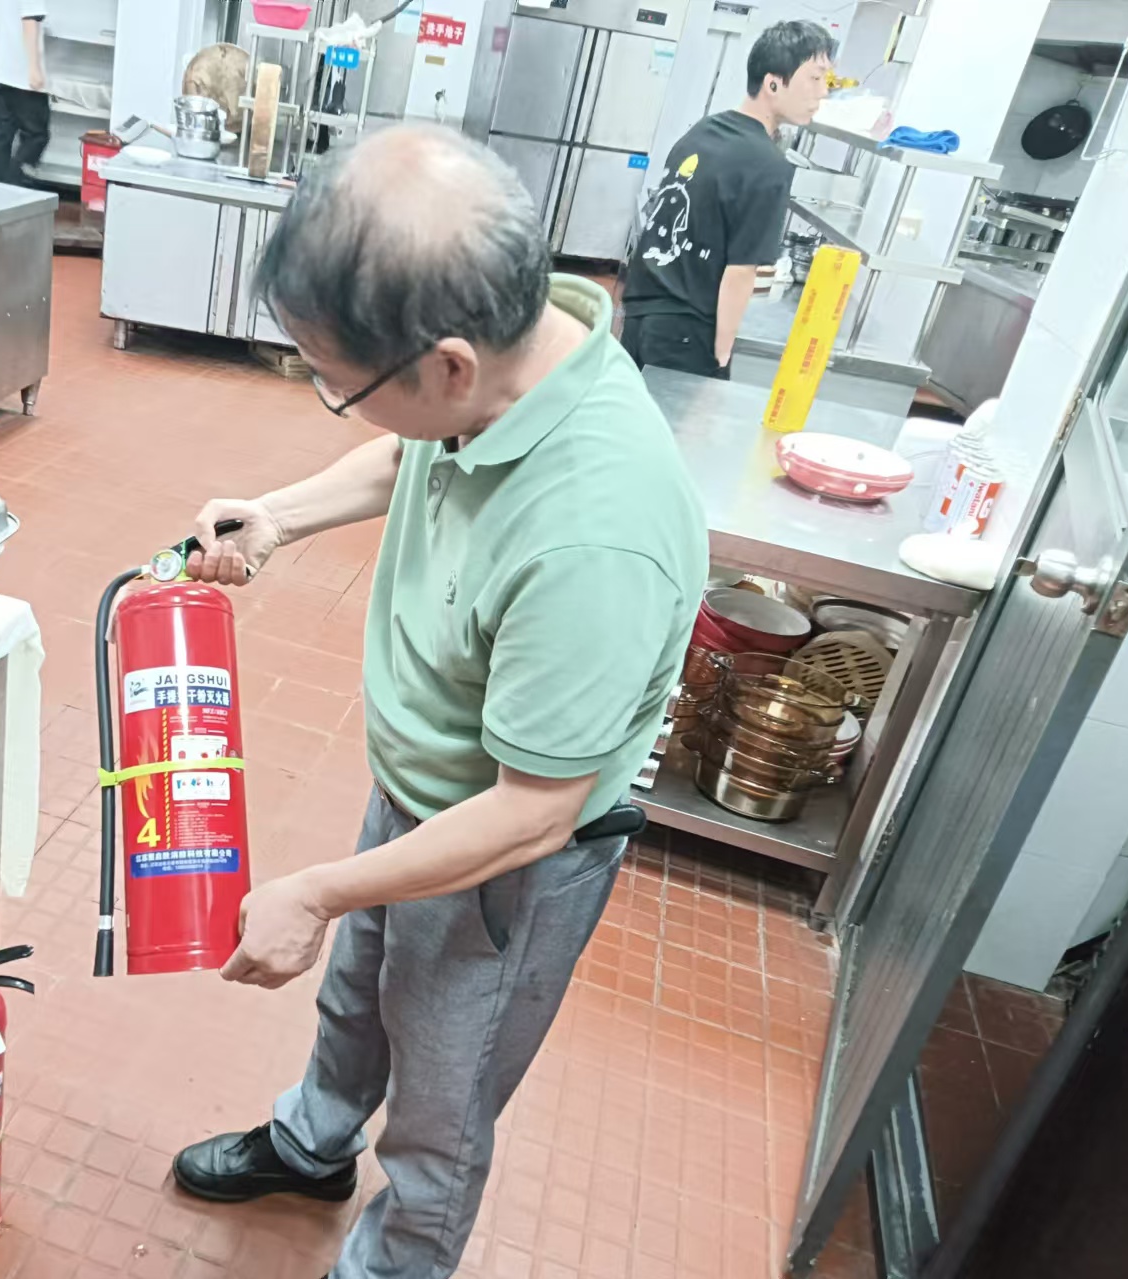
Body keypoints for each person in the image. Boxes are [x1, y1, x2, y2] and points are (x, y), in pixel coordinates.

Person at [168, 126, 708, 1279]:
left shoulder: (596, 535)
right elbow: (415, 450)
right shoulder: (510, 370)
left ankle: (395, 1262)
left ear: (449, 363)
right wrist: (278, 515)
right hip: (420, 789)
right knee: (358, 998)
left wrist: (315, 889)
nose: (334, 399)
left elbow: (530, 813)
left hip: (506, 858)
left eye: (336, 383)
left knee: (441, 1099)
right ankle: (311, 1142)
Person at [620, 20, 836, 379]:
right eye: (814, 78)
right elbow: (740, 273)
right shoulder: (768, 166)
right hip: (687, 334)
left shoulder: (702, 131)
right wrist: (721, 356)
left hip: (641, 315)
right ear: (773, 83)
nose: (823, 92)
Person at [0, 0, 49, 186]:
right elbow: (29, 20)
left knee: (1, 136)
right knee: (37, 135)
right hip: (21, 75)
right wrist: (34, 68)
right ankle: (15, 181)